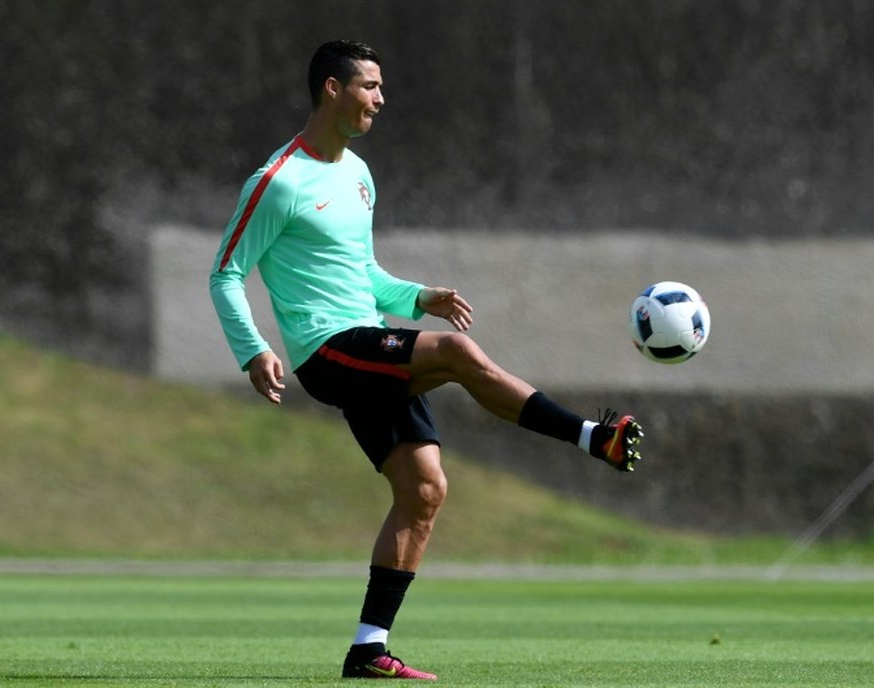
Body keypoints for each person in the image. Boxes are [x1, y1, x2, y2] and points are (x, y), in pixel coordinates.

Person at [209, 39, 644, 681]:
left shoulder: (358, 174)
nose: (381, 100)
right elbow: (225, 273)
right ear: (332, 89)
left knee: (424, 491)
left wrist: (417, 297)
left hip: (369, 344)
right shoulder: (277, 182)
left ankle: (367, 649)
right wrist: (252, 350)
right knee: (460, 354)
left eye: (381, 88)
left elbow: (361, 274)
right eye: (369, 87)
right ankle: (590, 437)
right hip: (328, 352)